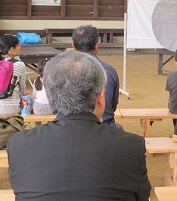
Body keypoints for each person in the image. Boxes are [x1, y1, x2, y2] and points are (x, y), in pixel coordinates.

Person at [7, 51, 151, 200]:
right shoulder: (131, 146)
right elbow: (142, 196)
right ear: (100, 97)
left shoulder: (19, 144)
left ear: (50, 96)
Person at [72, 25, 121, 129]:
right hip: (105, 126)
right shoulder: (109, 71)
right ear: (96, 45)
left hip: (71, 127)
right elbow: (113, 106)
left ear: (73, 46)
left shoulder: (63, 71)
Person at [0, 35, 26, 115]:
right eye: (18, 44)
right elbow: (22, 88)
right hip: (12, 108)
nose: (20, 46)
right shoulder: (19, 64)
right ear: (12, 49)